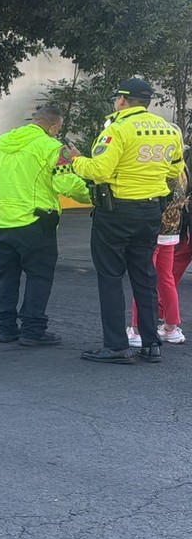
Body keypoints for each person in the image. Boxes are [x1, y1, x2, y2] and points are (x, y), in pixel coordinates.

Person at [65, 78, 185, 364]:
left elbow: (100, 171)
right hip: (151, 212)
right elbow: (176, 168)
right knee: (144, 276)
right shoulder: (169, 130)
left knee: (110, 276)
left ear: (122, 100)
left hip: (117, 212)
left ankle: (116, 346)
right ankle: (151, 343)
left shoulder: (117, 129)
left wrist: (76, 159)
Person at [0, 106, 91, 346]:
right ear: (54, 127)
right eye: (59, 129)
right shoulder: (53, 148)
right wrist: (94, 196)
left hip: (2, 223)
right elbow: (67, 184)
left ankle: (5, 328)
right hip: (36, 223)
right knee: (39, 277)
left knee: (5, 277)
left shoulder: (3, 142)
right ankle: (33, 330)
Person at [124, 169, 189, 347]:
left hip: (153, 228)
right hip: (173, 229)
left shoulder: (159, 166)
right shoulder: (181, 169)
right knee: (167, 279)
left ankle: (136, 329)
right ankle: (171, 327)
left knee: (143, 278)